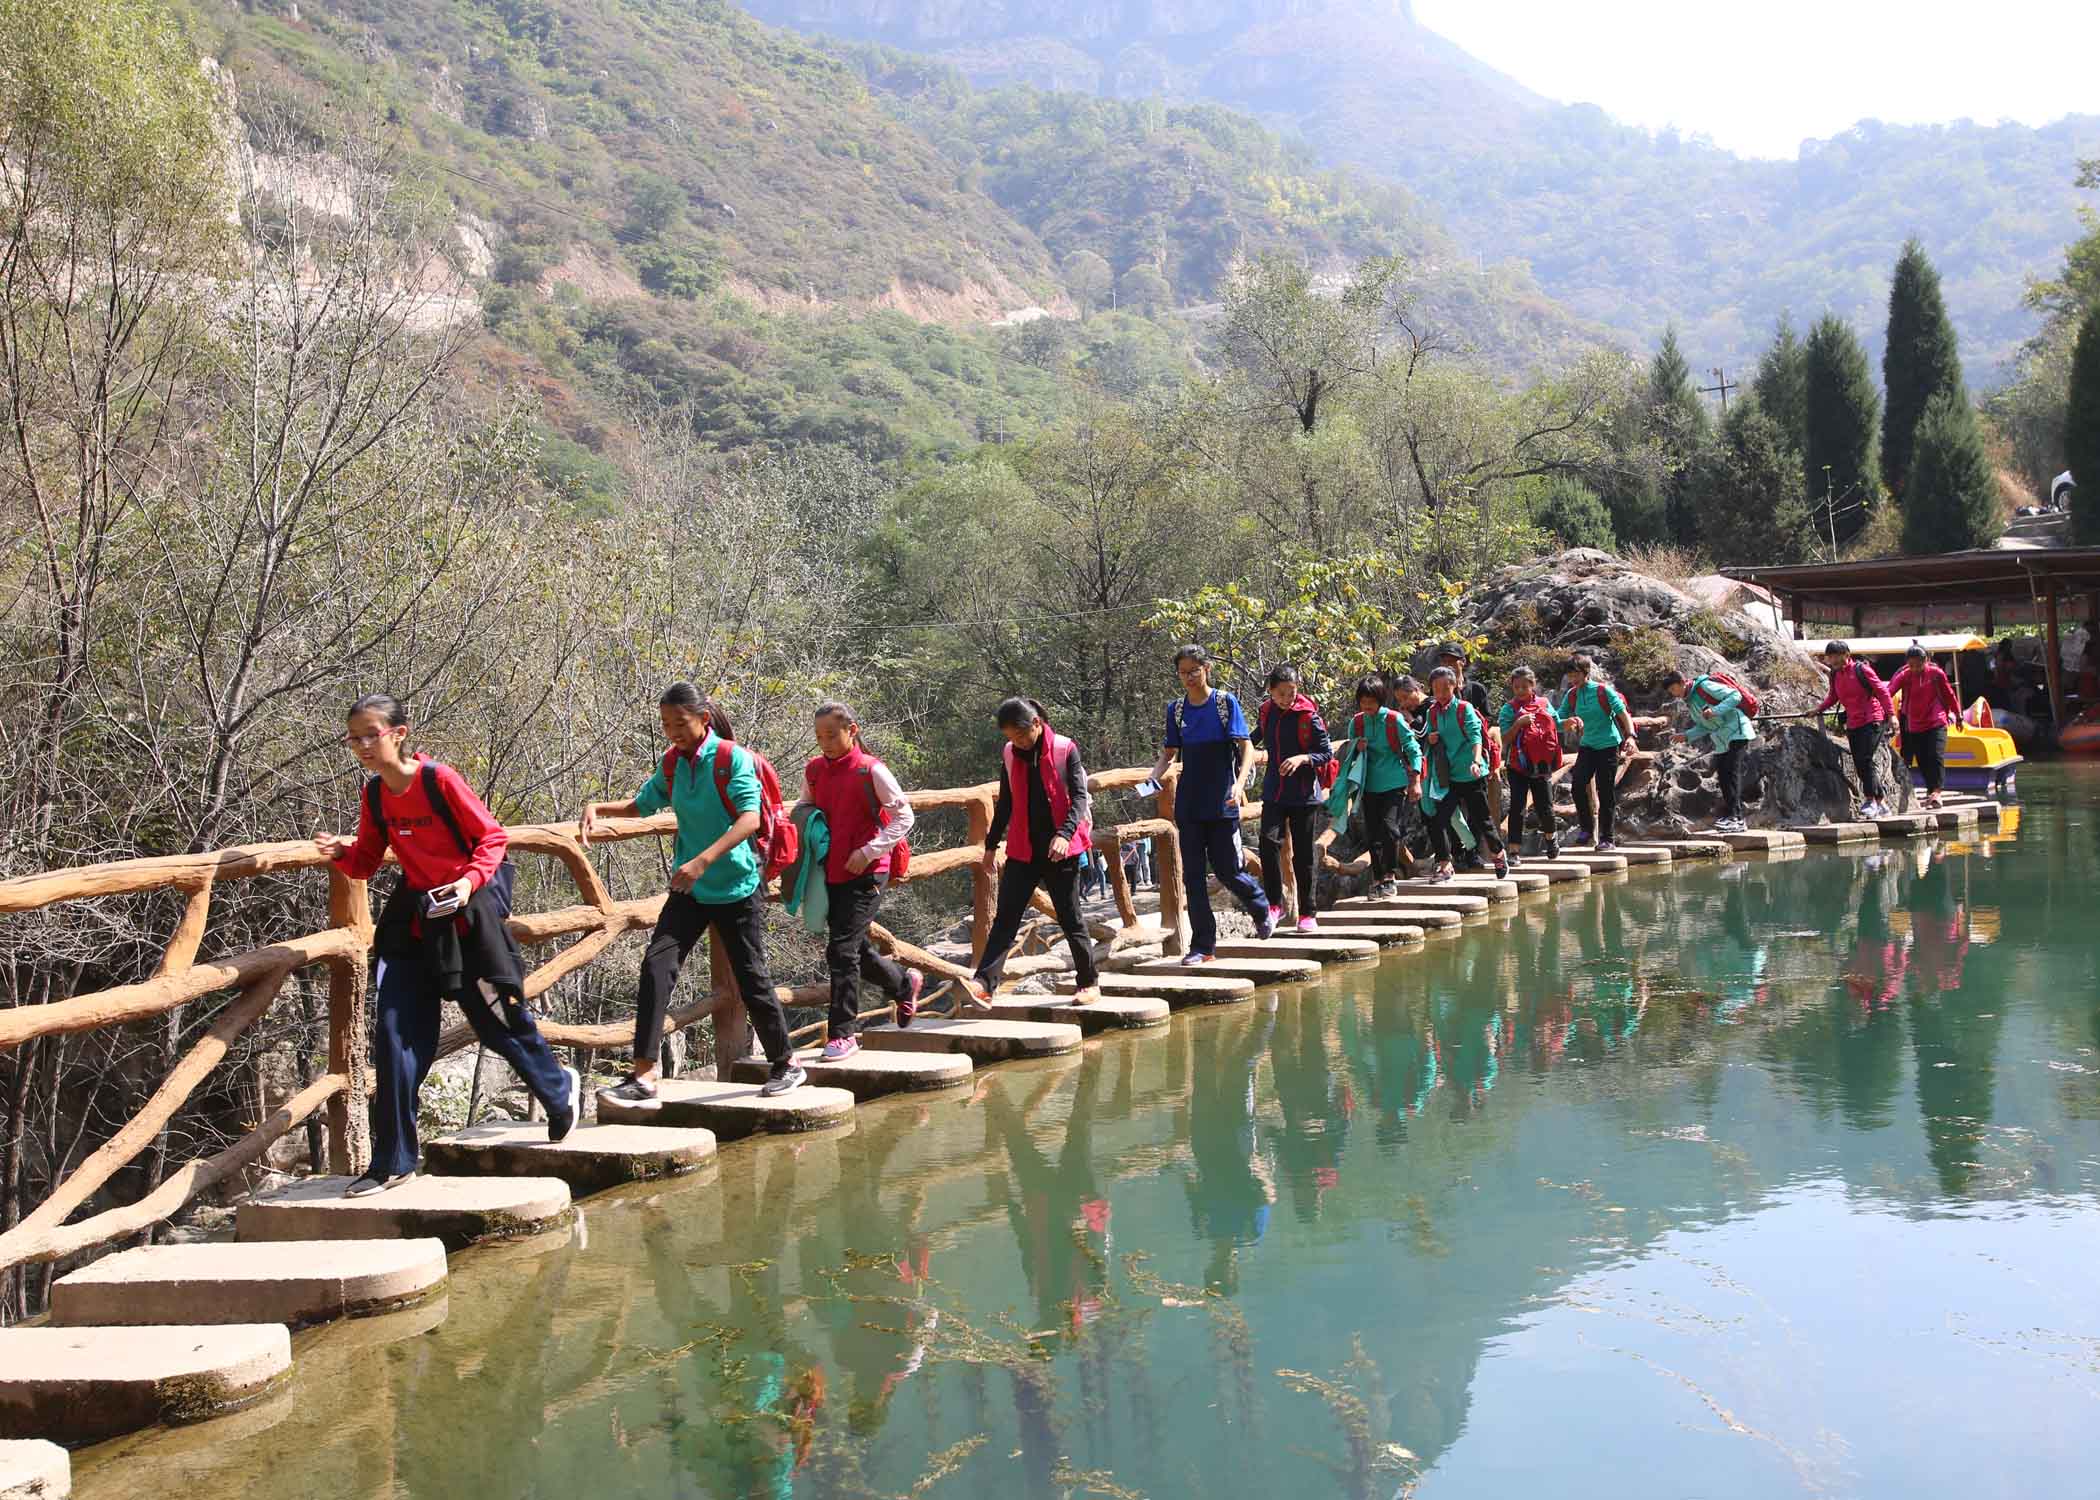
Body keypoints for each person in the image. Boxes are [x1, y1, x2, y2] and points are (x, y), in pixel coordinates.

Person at [318, 693, 581, 1196]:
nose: (363, 746)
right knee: (394, 1037)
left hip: (466, 920)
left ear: (399, 733)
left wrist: (466, 883)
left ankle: (556, 1088)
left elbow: (492, 838)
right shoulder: (375, 796)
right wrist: (341, 854)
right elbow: (368, 861)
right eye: (355, 738)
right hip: (416, 924)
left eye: (371, 735)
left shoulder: (438, 780)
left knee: (496, 1021)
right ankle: (392, 1161)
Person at [580, 683, 806, 1106]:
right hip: (690, 890)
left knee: (750, 976)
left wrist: (702, 861)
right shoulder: (673, 763)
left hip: (737, 886)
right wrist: (600, 808)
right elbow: (642, 806)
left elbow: (749, 819)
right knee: (656, 966)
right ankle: (644, 1075)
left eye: (680, 723)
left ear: (704, 719)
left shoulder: (730, 759)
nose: (672, 732)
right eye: (666, 724)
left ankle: (786, 1064)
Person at [791, 702, 923, 1058]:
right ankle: (903, 982)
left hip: (868, 871)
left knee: (842, 950)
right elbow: (804, 806)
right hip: (831, 870)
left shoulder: (871, 770)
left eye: (832, 735)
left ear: (853, 730)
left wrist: (868, 850)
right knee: (854, 947)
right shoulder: (815, 770)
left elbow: (903, 815)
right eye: (819, 736)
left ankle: (843, 1034)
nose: (826, 743)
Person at [963, 698, 1103, 1005]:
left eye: (1022, 736)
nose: (1018, 743)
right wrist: (990, 845)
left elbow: (1079, 798)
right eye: (1012, 738)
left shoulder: (1066, 749)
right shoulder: (1011, 754)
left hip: (1060, 850)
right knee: (1006, 918)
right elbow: (1008, 802)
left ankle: (1088, 982)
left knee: (1070, 917)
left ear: (1036, 724)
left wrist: (1065, 835)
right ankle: (984, 983)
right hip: (1023, 849)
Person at [1143, 645, 1274, 965]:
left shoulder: (1224, 703)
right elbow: (1168, 754)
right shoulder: (1176, 710)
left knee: (1229, 870)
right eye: (1183, 672)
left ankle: (1260, 906)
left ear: (1207, 669)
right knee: (1193, 877)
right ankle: (1203, 946)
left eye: (1194, 671)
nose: (1188, 678)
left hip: (1222, 801)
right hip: (1188, 804)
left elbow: (1245, 748)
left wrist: (1240, 783)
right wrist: (1150, 783)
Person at [1255, 664, 1335, 931]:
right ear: (1270, 691)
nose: (1287, 699)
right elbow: (1254, 737)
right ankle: (1274, 904)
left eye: (1292, 692)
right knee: (1267, 842)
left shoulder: (1308, 716)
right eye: (1281, 694)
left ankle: (1307, 913)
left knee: (1303, 855)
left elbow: (1326, 753)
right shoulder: (1266, 712)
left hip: (1303, 796)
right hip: (1275, 791)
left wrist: (1303, 758)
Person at [1421, 666, 1508, 881]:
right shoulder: (1432, 712)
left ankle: (1499, 854)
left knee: (1483, 820)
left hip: (1471, 774)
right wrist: (1430, 738)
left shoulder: (1464, 708)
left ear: (1454, 686)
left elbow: (1475, 737)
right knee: (1437, 820)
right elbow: (1428, 739)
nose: (1440, 693)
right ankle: (1444, 865)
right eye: (1436, 688)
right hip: (1447, 777)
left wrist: (1477, 761)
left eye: (1445, 688)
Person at [1341, 674, 1423, 897]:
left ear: (1381, 699)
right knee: (1373, 832)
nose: (1367, 706)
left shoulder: (1393, 720)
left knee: (1390, 828)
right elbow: (1349, 753)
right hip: (1368, 784)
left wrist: (1415, 780)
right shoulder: (1357, 723)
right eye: (1363, 702)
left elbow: (1413, 749)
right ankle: (1377, 878)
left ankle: (1389, 875)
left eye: (1372, 702)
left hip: (1394, 783)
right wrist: (1357, 746)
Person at [1557, 653, 1636, 852]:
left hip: (1608, 745)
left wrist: (1630, 736)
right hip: (1588, 745)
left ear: (1585, 672)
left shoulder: (1603, 691)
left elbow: (1622, 714)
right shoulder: (1572, 695)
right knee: (1577, 786)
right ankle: (1586, 829)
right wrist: (1564, 722)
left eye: (1575, 674)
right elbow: (1559, 718)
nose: (1572, 679)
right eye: (1570, 675)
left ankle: (1607, 838)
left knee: (1605, 791)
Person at [1662, 669, 1755, 833]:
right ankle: (1733, 816)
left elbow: (1735, 696)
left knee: (1730, 774)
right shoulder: (1690, 700)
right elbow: (1705, 726)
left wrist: (1716, 710)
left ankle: (1737, 818)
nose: (1673, 694)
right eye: (1670, 692)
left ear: (1682, 683)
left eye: (1673, 689)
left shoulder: (1704, 687)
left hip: (1737, 731)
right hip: (1722, 740)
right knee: (1724, 776)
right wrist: (1687, 735)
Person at [1814, 641, 1898, 819]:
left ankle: (1870, 801)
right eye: (1830, 656)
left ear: (1847, 654)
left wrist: (1891, 715)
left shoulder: (1862, 670)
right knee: (1860, 763)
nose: (1833, 659)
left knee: (1865, 759)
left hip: (1872, 719)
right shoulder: (1835, 675)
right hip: (1853, 723)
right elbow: (1833, 696)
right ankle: (1881, 802)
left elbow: (1882, 692)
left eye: (1837, 655)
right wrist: (1818, 709)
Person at [1437, 642, 1503, 864]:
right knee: (1451, 812)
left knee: (1477, 812)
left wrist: (1491, 761)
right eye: (1443, 661)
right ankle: (1458, 852)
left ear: (1462, 662)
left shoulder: (1475, 690)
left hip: (1474, 762)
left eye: (1451, 660)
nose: (1447, 664)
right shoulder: (1438, 691)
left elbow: (1487, 725)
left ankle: (1474, 853)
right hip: (1450, 763)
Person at [1888, 642, 1961, 809]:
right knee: (1922, 760)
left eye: (1918, 664)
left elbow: (1949, 695)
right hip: (1914, 724)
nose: (1915, 668)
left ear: (1926, 660)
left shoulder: (1936, 674)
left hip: (1936, 720)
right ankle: (1931, 793)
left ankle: (1936, 792)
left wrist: (1958, 715)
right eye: (1911, 665)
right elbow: (1889, 691)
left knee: (1935, 756)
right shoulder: (1905, 675)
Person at [1498, 666, 1561, 859]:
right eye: (1517, 687)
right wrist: (1518, 723)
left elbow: (1557, 724)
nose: (1520, 691)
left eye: (1525, 687)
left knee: (1545, 807)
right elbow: (1505, 738)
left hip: (1541, 765)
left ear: (1533, 686)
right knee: (1517, 807)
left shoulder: (1544, 703)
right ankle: (1514, 851)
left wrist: (1573, 721)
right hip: (1517, 765)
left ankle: (1551, 839)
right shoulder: (1509, 709)